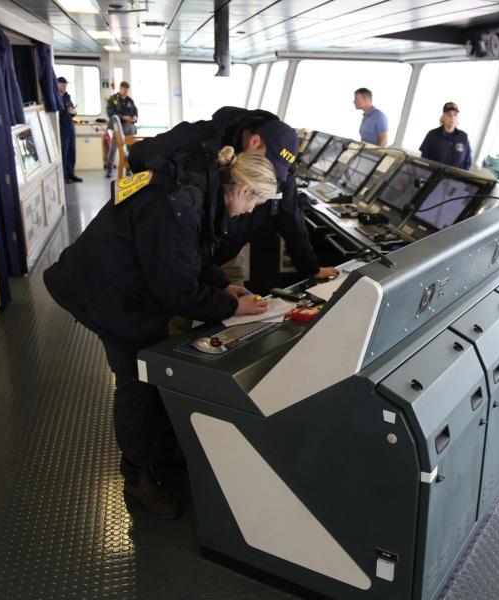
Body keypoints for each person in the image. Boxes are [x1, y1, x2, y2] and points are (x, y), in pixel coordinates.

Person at [43, 145, 276, 519]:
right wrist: (232, 306)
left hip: (122, 279)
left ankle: (163, 447)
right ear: (244, 190)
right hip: (102, 290)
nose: (251, 212)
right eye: (257, 203)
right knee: (135, 377)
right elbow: (176, 289)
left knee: (152, 365)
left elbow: (191, 253)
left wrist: (222, 285)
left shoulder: (199, 190)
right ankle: (136, 477)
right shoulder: (179, 206)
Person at [129, 107, 338, 283]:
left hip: (226, 256)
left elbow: (290, 216)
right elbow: (139, 155)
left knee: (230, 313)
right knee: (179, 310)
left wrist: (311, 268)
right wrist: (179, 187)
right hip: (178, 248)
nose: (270, 174)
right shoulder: (203, 138)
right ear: (254, 141)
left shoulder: (278, 171)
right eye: (269, 163)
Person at [419, 102, 472, 171]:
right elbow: (424, 159)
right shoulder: (432, 135)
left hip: (454, 179)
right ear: (443, 117)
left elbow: (467, 162)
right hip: (433, 177)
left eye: (455, 114)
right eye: (449, 115)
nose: (452, 118)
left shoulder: (464, 137)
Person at [57, 77, 82, 183]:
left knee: (72, 152)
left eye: (66, 85)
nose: (65, 87)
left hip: (70, 127)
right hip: (62, 128)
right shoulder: (56, 97)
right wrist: (66, 110)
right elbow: (56, 113)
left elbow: (72, 109)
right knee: (64, 152)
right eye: (63, 85)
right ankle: (64, 176)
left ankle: (70, 173)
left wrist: (73, 111)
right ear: (57, 85)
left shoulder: (67, 97)